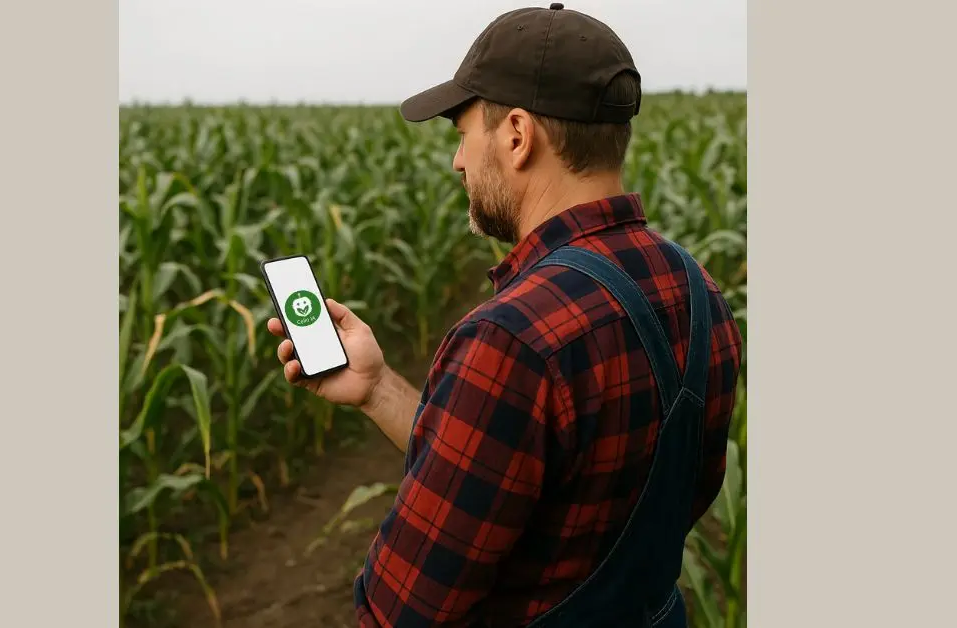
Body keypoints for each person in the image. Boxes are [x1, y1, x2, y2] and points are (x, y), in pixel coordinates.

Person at [267, 4, 744, 627]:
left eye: (463, 133)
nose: (458, 162)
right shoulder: (698, 291)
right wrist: (379, 388)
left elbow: (399, 610)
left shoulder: (513, 340)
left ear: (517, 135)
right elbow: (519, 478)